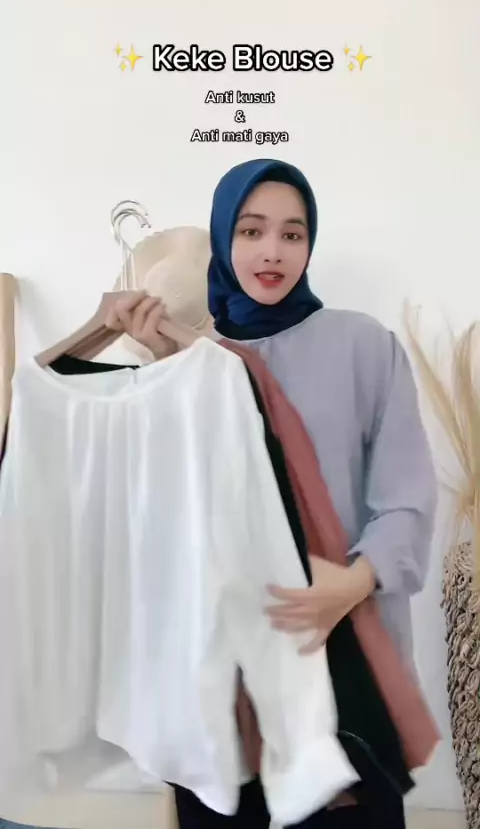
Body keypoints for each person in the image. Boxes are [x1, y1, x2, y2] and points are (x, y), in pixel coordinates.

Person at [105, 158, 438, 827]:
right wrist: (162, 370)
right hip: (224, 678)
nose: (272, 252)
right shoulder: (191, 362)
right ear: (222, 238)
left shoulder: (364, 346)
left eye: (293, 233)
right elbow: (165, 512)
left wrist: (351, 584)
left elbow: (407, 497)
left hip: (343, 666)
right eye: (252, 230)